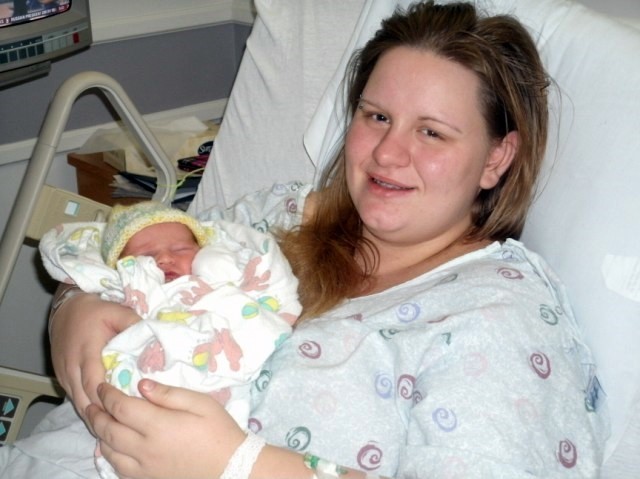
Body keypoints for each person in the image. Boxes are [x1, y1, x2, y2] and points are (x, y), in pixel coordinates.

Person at [39, 1, 609, 478]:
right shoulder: (280, 215)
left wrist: (241, 467)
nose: (388, 153)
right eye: (376, 116)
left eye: (432, 132)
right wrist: (75, 305)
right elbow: (128, 243)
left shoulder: (497, 319)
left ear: (496, 158)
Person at [35, 201, 300, 478]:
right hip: (142, 398)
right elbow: (91, 282)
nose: (164, 258)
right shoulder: (127, 288)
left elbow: (263, 288)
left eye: (181, 249)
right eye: (146, 255)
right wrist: (70, 304)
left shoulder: (220, 279)